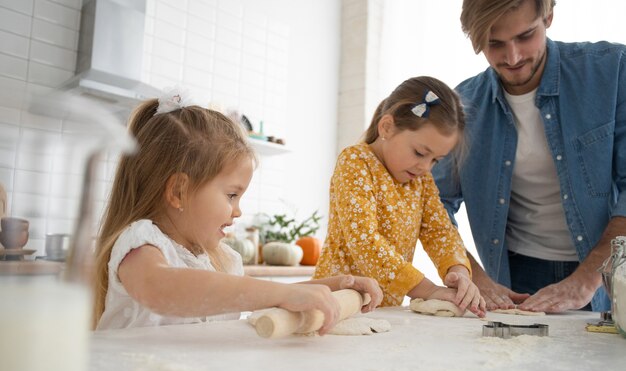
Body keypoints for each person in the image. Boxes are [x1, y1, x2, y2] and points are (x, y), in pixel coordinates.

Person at [93, 88, 383, 332]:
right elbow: (159, 288)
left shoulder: (221, 260)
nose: (237, 211)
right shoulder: (143, 244)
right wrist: (287, 293)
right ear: (178, 191)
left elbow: (257, 298)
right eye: (232, 195)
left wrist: (336, 286)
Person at [433, 0, 626, 312]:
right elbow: (431, 203)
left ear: (548, 16)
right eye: (494, 44)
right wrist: (471, 274)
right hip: (515, 277)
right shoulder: (463, 106)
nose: (513, 57)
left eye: (525, 36)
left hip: (609, 271)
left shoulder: (612, 70)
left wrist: (588, 277)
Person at [314, 76, 486, 317]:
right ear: (386, 127)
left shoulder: (421, 182)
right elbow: (365, 242)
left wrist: (459, 272)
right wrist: (428, 290)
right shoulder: (355, 162)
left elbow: (440, 232)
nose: (426, 167)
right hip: (337, 304)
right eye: (420, 152)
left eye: (435, 160)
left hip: (385, 310)